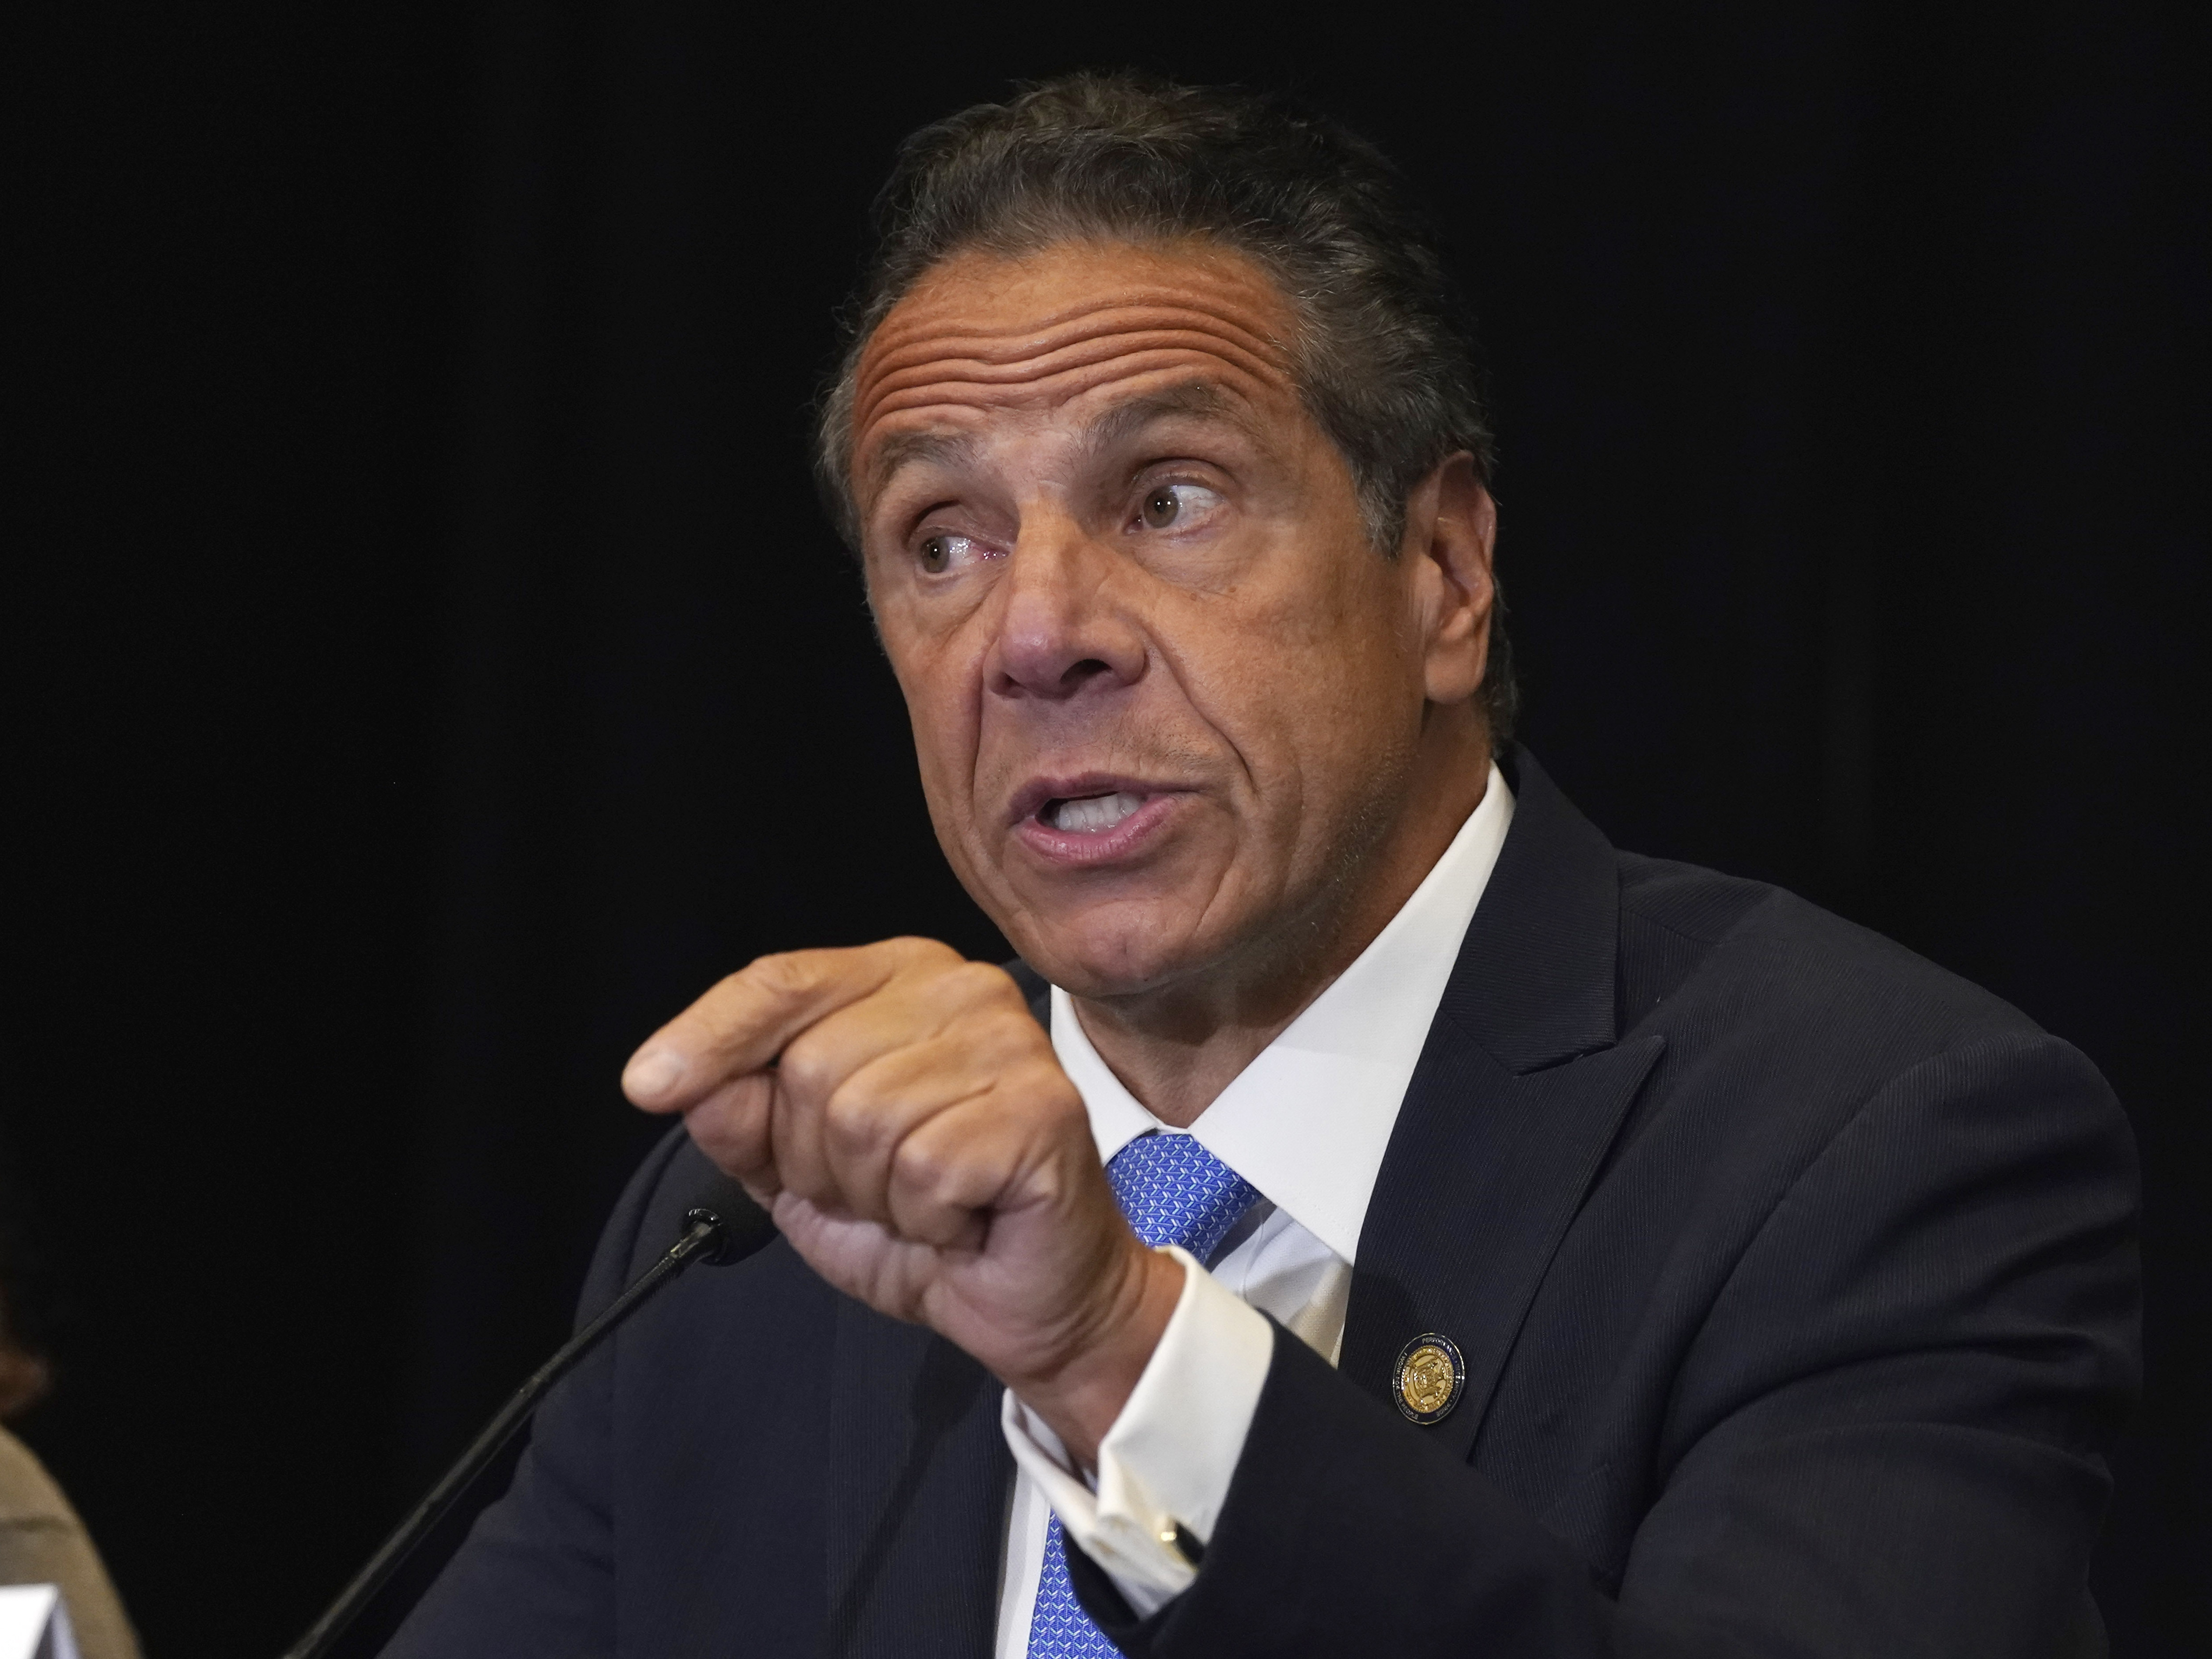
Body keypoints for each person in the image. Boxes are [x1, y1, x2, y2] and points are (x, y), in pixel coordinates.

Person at [386, 73, 2139, 1658]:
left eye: (1169, 498)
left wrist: (1115, 1356)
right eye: (943, 540)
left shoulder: (1868, 1143)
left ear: (1444, 572)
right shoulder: (763, 1235)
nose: (1037, 633)